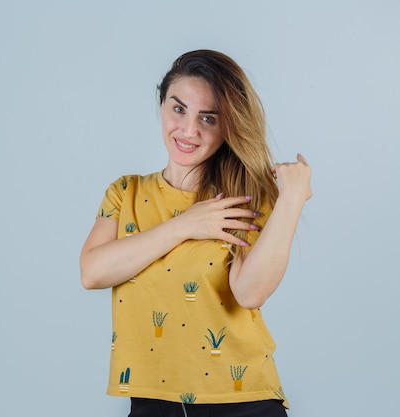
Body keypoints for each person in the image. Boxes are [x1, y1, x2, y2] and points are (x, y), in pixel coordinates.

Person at [79, 50, 312, 417]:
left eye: (208, 118)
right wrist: (186, 224)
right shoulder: (125, 193)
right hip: (152, 403)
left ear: (228, 126)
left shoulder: (244, 197)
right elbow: (92, 272)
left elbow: (251, 292)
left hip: (243, 402)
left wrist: (292, 199)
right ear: (161, 107)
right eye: (179, 109)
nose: (189, 130)